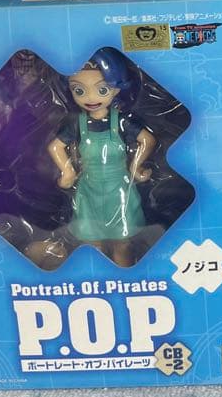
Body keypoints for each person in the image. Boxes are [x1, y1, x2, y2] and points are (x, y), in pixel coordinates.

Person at [45, 49, 155, 268]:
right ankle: (96, 277)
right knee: (92, 244)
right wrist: (67, 171)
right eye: (79, 90)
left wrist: (136, 166)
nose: (90, 98)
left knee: (122, 243)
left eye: (102, 89)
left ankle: (125, 276)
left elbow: (147, 140)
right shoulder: (76, 124)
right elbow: (55, 146)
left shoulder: (122, 122)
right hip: (89, 190)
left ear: (116, 89)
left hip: (119, 190)